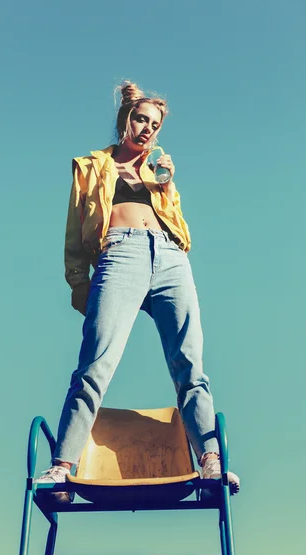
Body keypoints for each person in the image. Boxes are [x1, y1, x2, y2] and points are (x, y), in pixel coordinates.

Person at [37, 81, 240, 502]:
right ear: (124, 120)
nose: (147, 128)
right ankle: (62, 468)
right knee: (95, 365)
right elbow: (76, 231)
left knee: (190, 365)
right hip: (121, 252)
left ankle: (210, 462)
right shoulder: (93, 166)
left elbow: (182, 230)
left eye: (154, 124)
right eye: (140, 119)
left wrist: (166, 190)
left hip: (169, 257)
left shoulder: (158, 170)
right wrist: (79, 281)